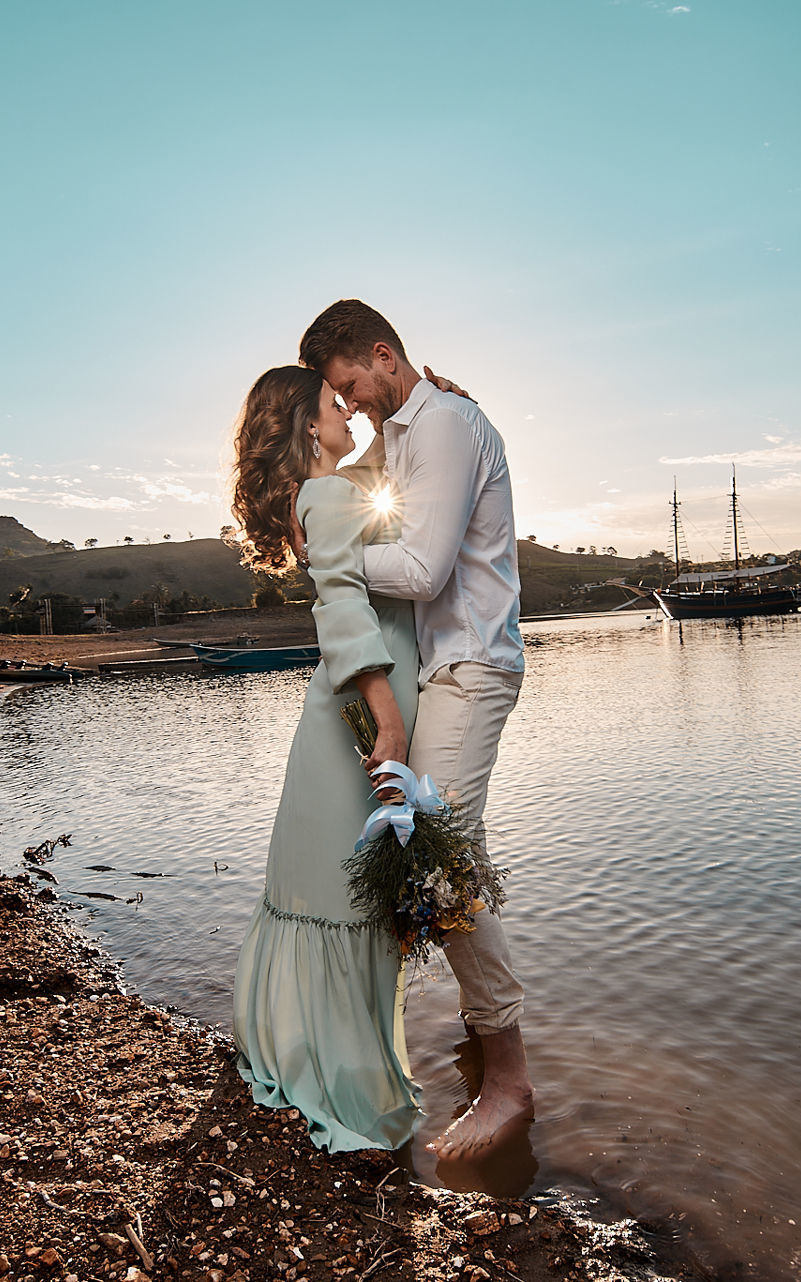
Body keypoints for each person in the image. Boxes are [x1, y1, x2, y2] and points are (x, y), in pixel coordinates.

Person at [299, 299, 533, 1161]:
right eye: (340, 397)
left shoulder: (443, 423)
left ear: (385, 354)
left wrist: (328, 557)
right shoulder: (415, 425)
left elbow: (426, 567)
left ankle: (507, 1082)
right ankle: (476, 1045)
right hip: (444, 667)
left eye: (353, 385)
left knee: (440, 853)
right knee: (427, 855)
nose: (352, 405)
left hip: (473, 664)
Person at [227, 365, 423, 1152]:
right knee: (344, 897)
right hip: (360, 711)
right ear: (309, 426)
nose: (348, 409)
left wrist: (419, 401)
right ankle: (339, 1073)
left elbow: (382, 468)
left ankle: (307, 1046)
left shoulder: (330, 492)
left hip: (353, 705)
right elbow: (342, 605)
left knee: (333, 891)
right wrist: (389, 724)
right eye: (335, 403)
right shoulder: (332, 497)